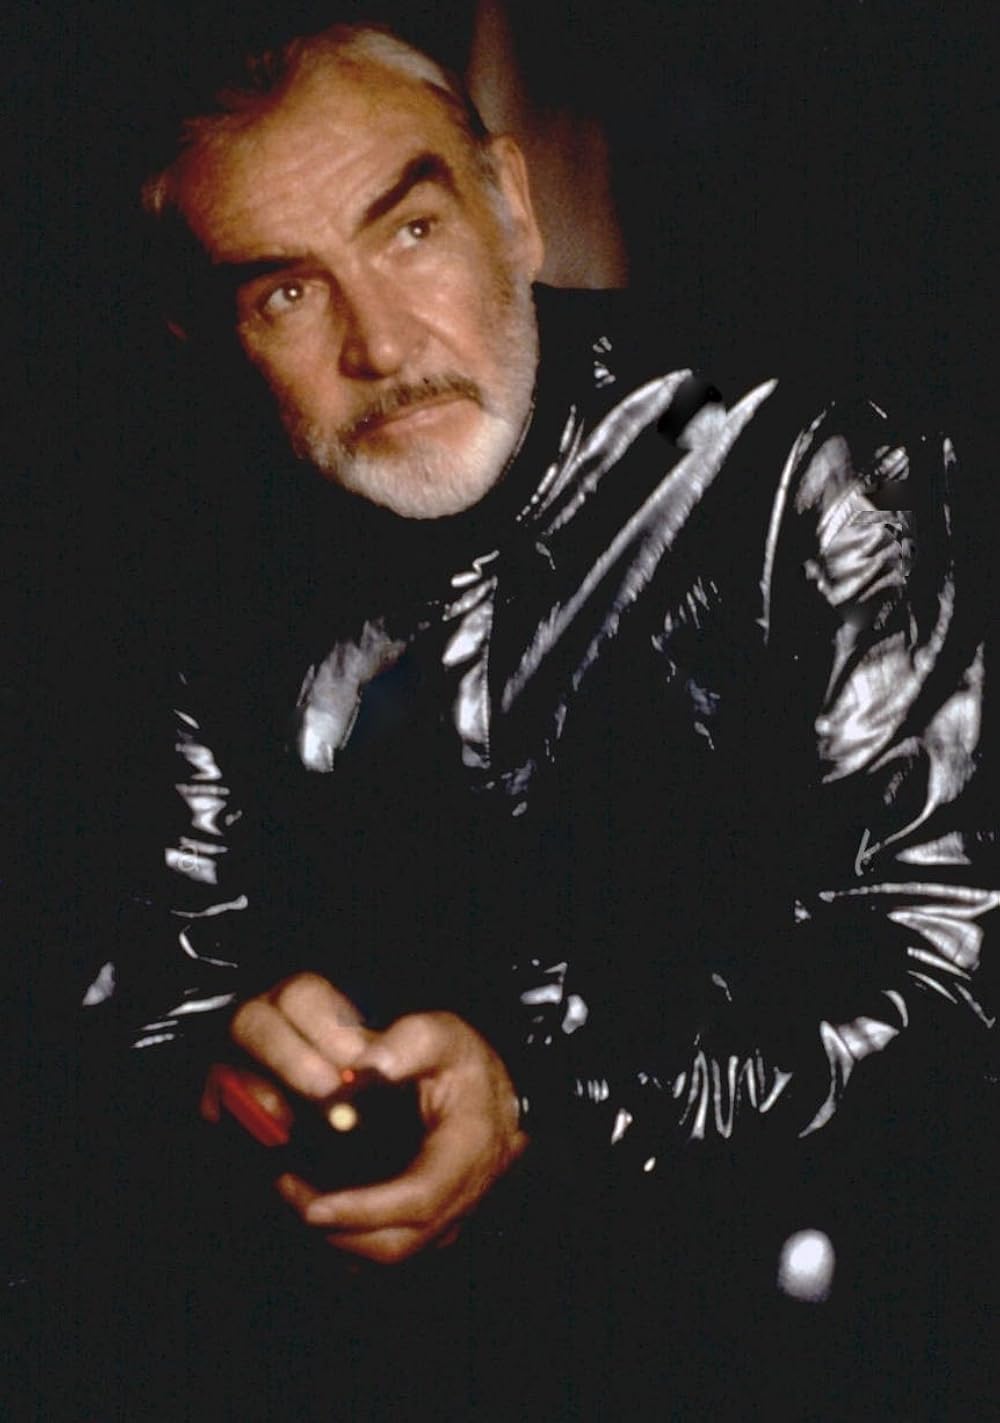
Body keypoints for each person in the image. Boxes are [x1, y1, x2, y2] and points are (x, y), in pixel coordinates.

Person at [68, 19, 995, 1421]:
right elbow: (149, 982)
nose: (382, 346)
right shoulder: (204, 557)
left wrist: (552, 1104)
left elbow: (951, 969)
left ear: (509, 204)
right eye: (287, 294)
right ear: (210, 333)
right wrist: (228, 1071)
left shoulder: (809, 470)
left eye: (412, 232)